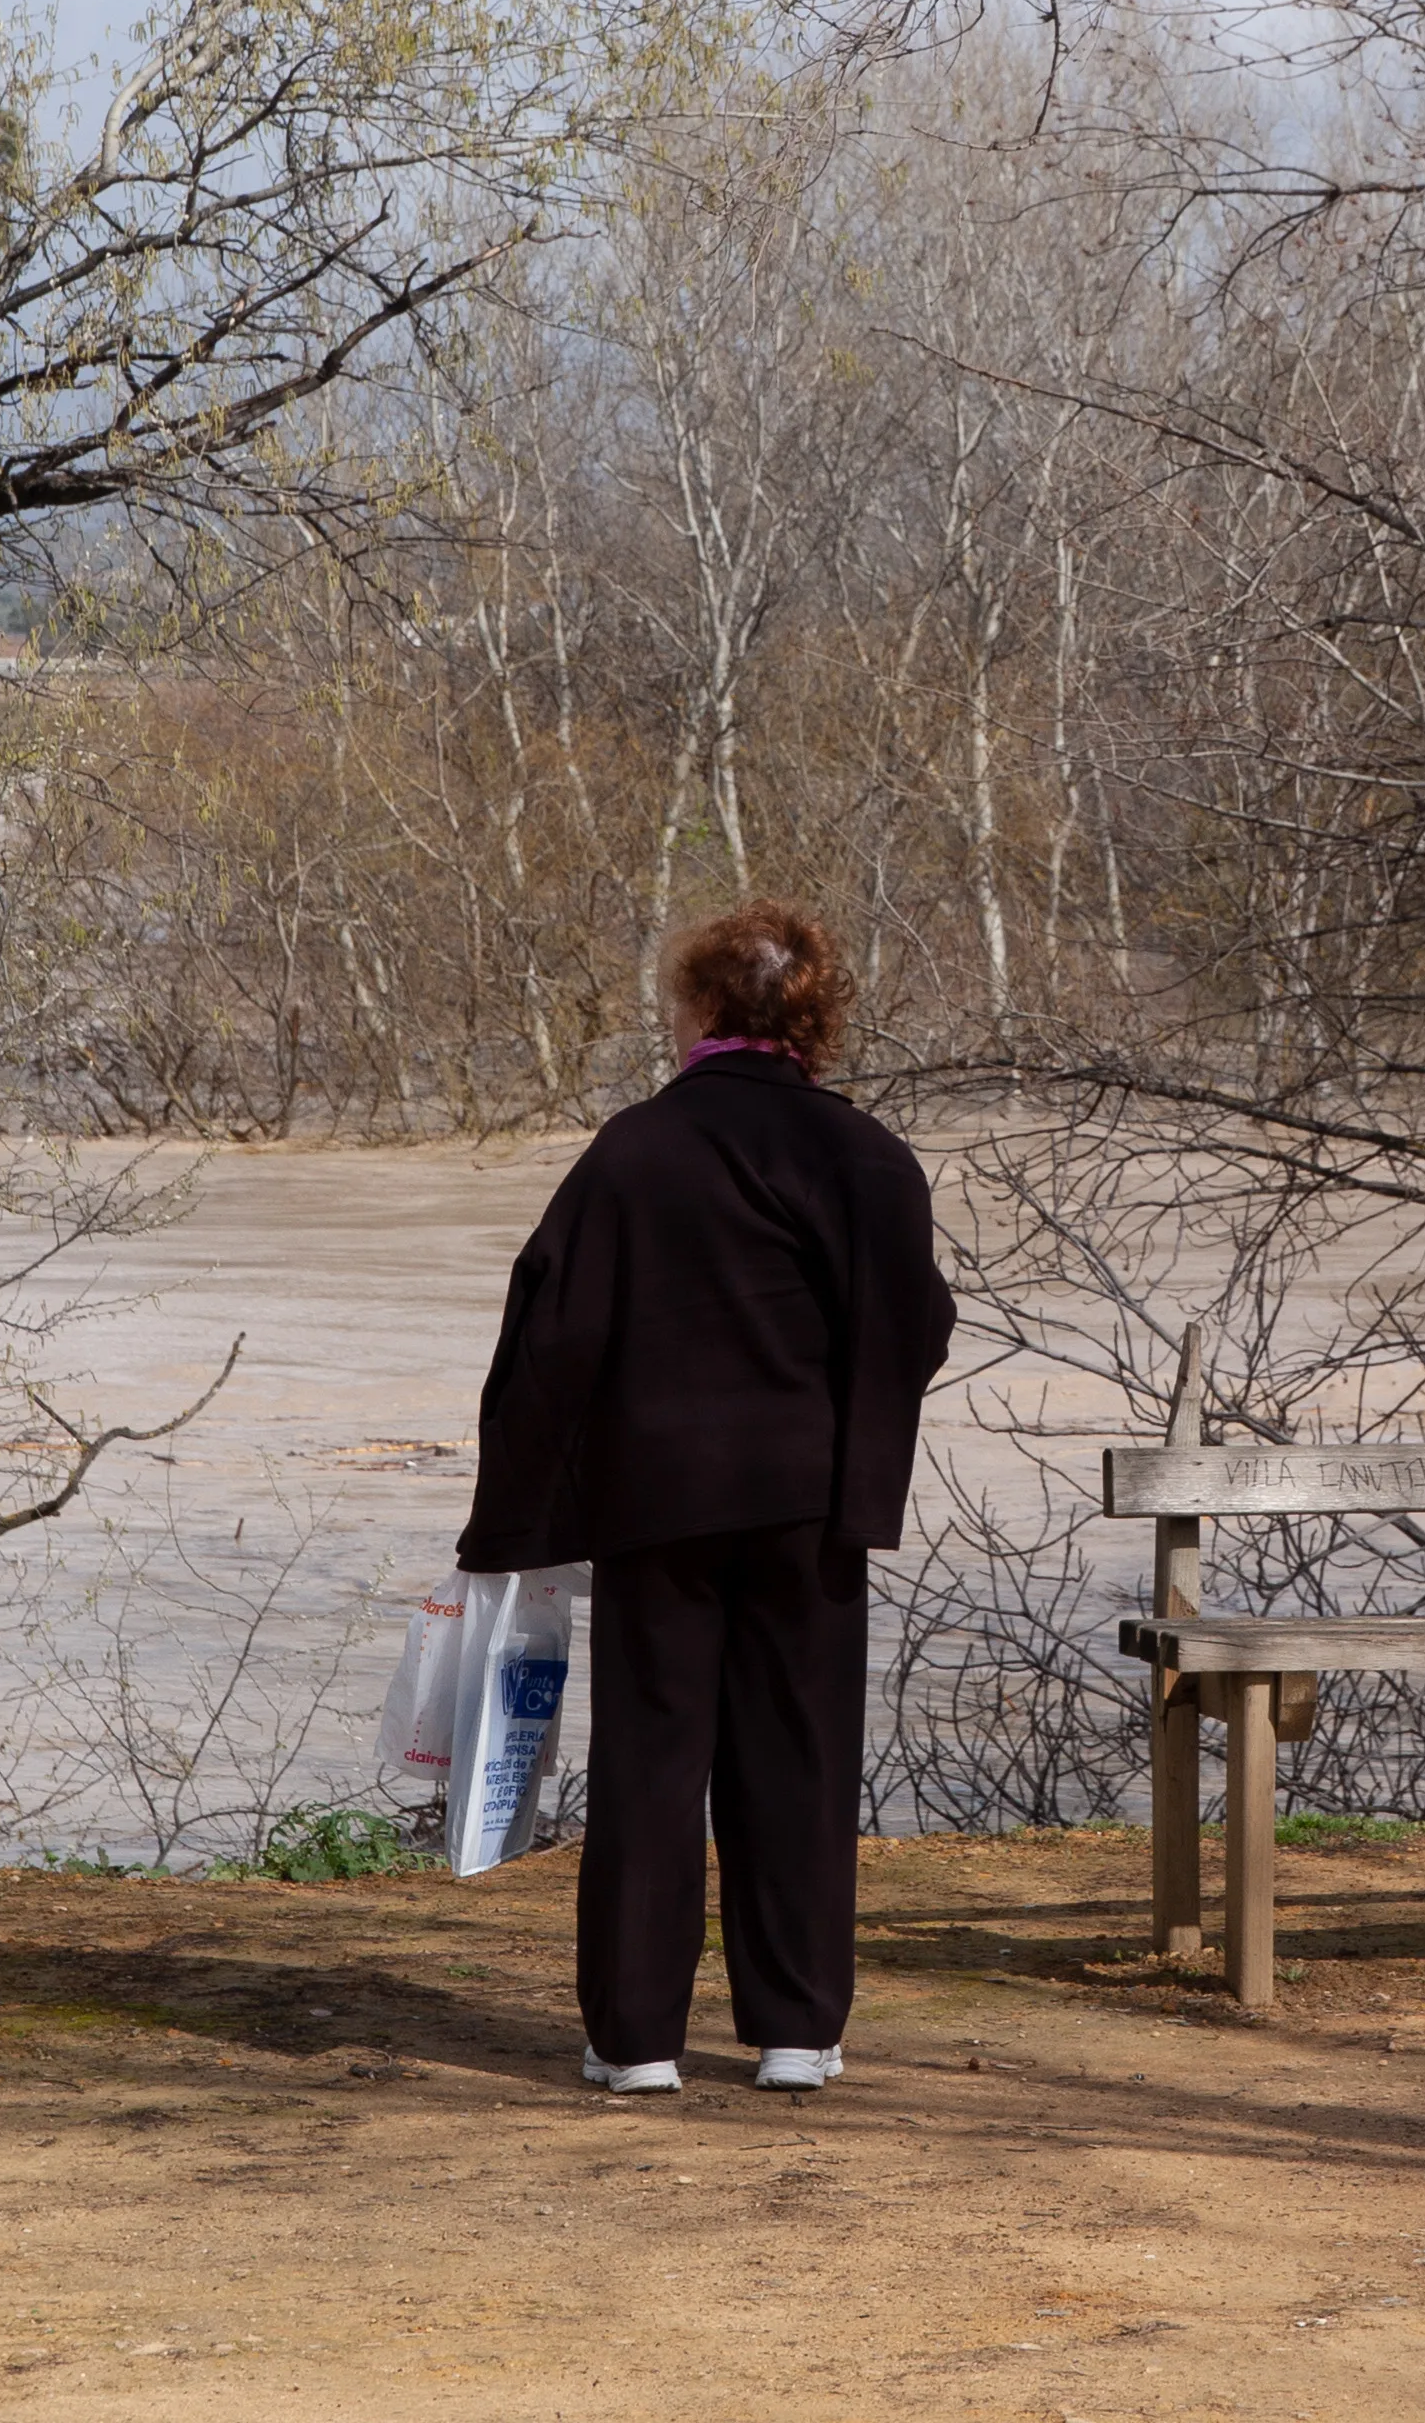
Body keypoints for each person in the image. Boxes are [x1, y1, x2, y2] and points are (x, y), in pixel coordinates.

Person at [456, 896, 956, 2096]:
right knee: (800, 1752)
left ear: (700, 1008)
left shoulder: (635, 1149)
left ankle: (636, 2043)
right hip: (808, 1504)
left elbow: (551, 1331)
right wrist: (854, 1454)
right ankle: (797, 2032)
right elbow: (917, 1327)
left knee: (651, 1760)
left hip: (657, 1503)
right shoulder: (865, 1155)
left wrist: (513, 1516)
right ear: (818, 1012)